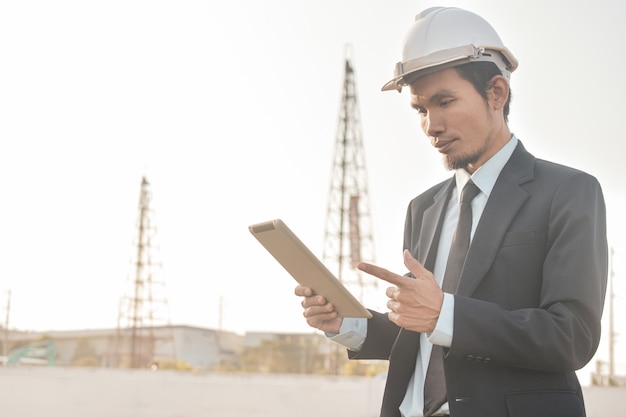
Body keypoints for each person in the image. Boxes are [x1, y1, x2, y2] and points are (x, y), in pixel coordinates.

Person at [295, 7, 608, 417]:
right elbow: (421, 332)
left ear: (497, 93)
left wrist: (446, 313)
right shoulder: (423, 208)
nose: (431, 125)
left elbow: (572, 336)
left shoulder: (568, 191)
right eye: (421, 109)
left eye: (445, 102)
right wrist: (349, 325)